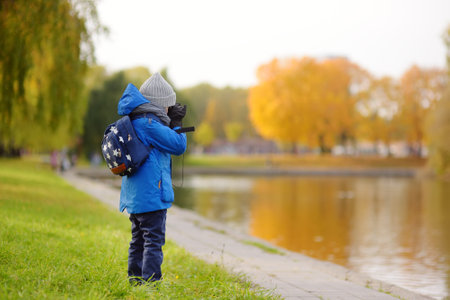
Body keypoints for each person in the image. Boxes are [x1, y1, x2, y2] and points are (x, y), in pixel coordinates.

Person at [117, 72, 187, 285]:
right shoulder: (149, 124)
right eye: (167, 107)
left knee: (138, 241)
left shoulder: (135, 121)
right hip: (151, 196)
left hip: (135, 197)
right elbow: (178, 145)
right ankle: (151, 284)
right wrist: (176, 122)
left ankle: (135, 280)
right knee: (153, 242)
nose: (169, 110)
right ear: (160, 105)